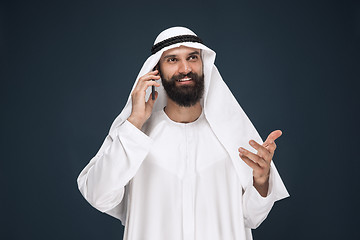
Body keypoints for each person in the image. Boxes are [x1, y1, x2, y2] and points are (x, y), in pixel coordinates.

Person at [77, 26, 289, 240]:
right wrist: (134, 121)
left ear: (203, 64)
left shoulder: (230, 135)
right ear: (156, 70)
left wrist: (261, 181)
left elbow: (251, 218)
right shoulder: (134, 135)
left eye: (192, 57)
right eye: (172, 60)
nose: (184, 68)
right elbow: (99, 195)